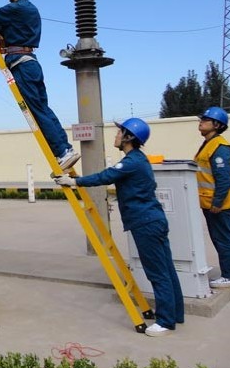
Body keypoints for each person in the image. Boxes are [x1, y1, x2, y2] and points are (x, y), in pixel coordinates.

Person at [55, 118, 184, 338]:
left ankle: (165, 322)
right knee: (166, 269)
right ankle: (175, 314)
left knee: (157, 272)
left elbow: (106, 176)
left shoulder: (131, 162)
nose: (115, 136)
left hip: (145, 222)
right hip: (153, 220)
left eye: (119, 132)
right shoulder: (137, 159)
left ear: (129, 137)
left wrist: (74, 182)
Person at [0, 0, 79, 171]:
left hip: (21, 64)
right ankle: (65, 148)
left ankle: (62, 151)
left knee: (36, 110)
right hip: (31, 63)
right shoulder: (29, 10)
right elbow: (4, 25)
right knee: (43, 108)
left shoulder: (17, 8)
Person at [195, 106, 230, 288]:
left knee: (223, 239)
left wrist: (217, 202)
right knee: (222, 237)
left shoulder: (219, 147)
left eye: (205, 120)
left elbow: (223, 179)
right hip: (211, 201)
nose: (201, 123)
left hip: (220, 204)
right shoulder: (209, 144)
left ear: (217, 125)